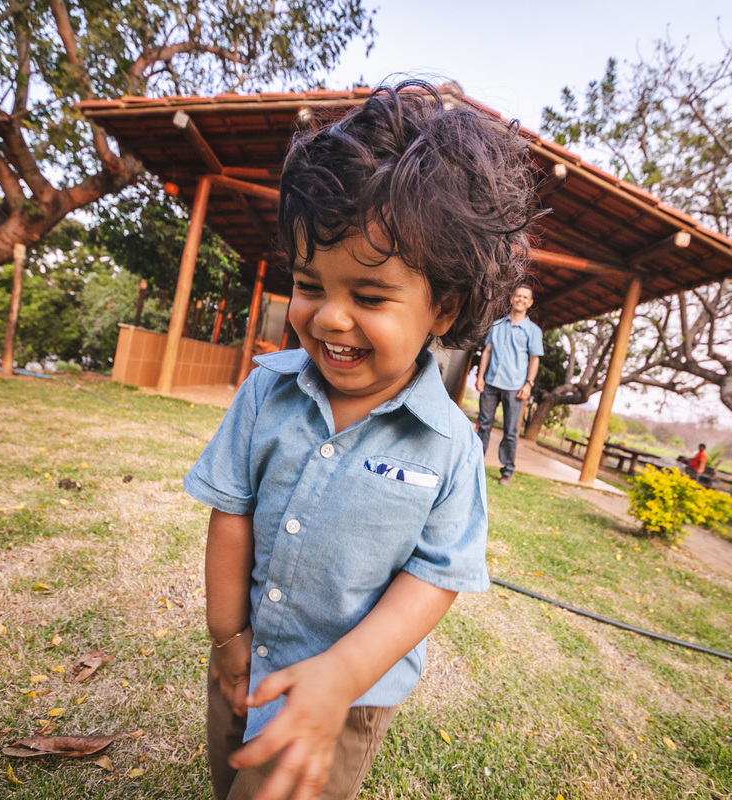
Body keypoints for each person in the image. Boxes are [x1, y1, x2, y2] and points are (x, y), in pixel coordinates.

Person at [183, 81, 533, 800]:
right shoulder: (266, 393)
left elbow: (435, 577)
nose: (330, 319)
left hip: (347, 700)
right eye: (310, 284)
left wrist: (341, 676)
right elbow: (232, 514)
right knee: (229, 781)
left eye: (369, 297)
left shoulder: (450, 449)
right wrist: (228, 643)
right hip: (248, 663)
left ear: (444, 307)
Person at [474, 285, 543, 486]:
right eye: (517, 295)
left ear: (529, 303)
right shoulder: (497, 325)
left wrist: (528, 384)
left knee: (510, 431)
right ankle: (475, 464)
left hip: (515, 387)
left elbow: (534, 359)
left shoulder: (533, 331)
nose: (520, 299)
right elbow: (487, 351)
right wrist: (480, 376)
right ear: (512, 298)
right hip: (491, 383)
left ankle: (507, 471)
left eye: (525, 297)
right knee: (483, 426)